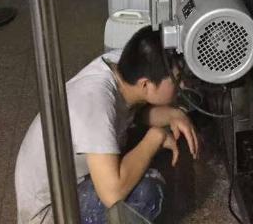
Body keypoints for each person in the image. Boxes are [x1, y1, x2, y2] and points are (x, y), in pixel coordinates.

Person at [15, 26, 199, 223]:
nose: (181, 85)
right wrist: (155, 138)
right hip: (51, 211)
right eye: (176, 79)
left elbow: (129, 113)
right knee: (146, 193)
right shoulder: (96, 103)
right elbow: (112, 195)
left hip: (74, 180)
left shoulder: (123, 67)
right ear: (146, 84)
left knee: (154, 153)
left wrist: (171, 115)